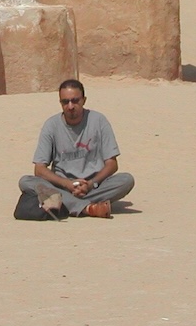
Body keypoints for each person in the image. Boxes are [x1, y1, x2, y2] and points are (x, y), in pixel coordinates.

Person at [14, 79, 135, 220]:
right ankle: (87, 208)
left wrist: (90, 184)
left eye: (75, 101)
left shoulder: (99, 121)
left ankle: (70, 204)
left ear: (84, 100)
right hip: (62, 186)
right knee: (26, 181)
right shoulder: (51, 125)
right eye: (65, 102)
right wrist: (67, 184)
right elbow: (39, 169)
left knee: (126, 180)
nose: (70, 106)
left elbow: (112, 164)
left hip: (93, 186)